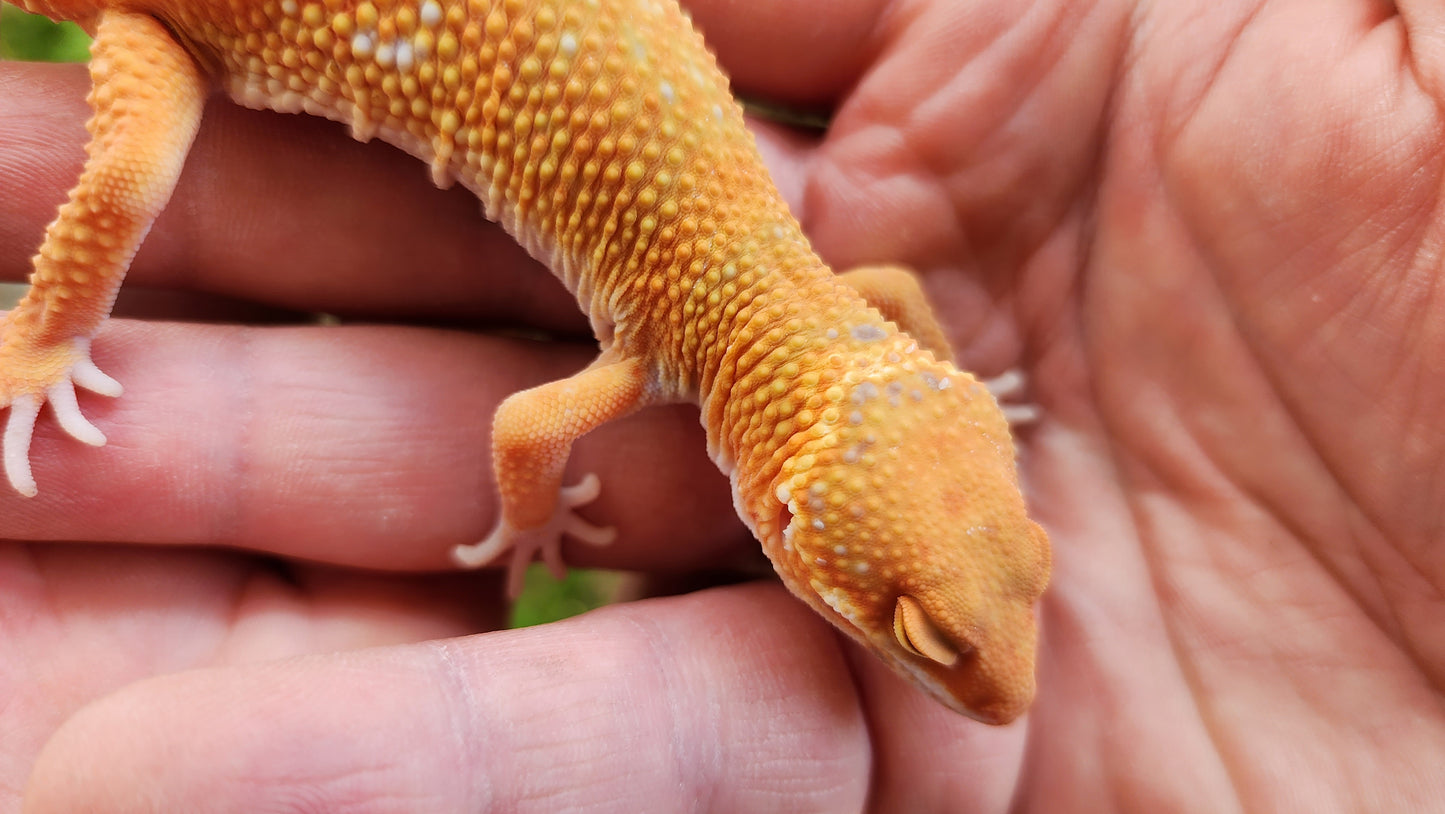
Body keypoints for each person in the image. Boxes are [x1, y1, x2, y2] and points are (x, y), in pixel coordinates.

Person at [3, 0, 1443, 809]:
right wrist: (533, 519)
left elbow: (893, 296)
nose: (993, 685)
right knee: (127, 175)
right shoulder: (668, 351)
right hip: (192, 24)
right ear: (784, 510)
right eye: (922, 635)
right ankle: (38, 343)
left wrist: (948, 401)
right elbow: (522, 433)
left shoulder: (834, 311)